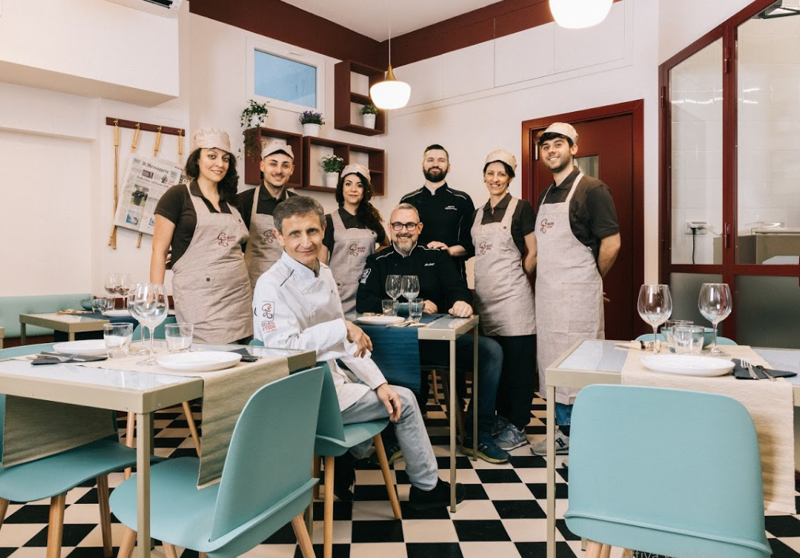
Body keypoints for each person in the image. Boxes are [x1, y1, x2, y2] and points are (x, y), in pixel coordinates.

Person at [252, 195, 464, 509]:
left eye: (312, 231)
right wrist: (342, 328)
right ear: (279, 236)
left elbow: (346, 344)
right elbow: (281, 348)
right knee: (405, 401)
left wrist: (379, 384)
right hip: (296, 394)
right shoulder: (270, 285)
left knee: (391, 392)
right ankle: (426, 487)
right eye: (294, 234)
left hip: (330, 382)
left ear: (323, 229)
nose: (305, 241)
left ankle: (347, 456)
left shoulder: (323, 272)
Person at [356, 203, 508, 464]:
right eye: (398, 225)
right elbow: (365, 303)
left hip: (436, 344)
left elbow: (457, 288)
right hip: (393, 348)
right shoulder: (377, 261)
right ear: (390, 228)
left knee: (490, 351)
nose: (404, 231)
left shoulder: (436, 257)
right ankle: (391, 438)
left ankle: (478, 434)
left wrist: (463, 302)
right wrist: (408, 306)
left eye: (410, 225)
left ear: (419, 228)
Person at [530, 123, 621, 456]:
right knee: (553, 363)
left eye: (558, 144)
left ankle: (579, 434)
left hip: (578, 294)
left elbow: (612, 242)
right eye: (546, 147)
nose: (551, 151)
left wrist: (592, 278)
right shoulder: (545, 194)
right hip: (549, 295)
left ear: (573, 148)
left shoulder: (592, 189)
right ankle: (563, 432)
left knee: (579, 366)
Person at [151, 128, 252, 344]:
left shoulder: (234, 202)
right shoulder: (177, 196)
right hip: (199, 298)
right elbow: (159, 251)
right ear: (197, 159)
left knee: (243, 365)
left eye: (225, 159)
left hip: (239, 297)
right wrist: (156, 294)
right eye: (212, 156)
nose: (220, 164)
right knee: (208, 358)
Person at [472, 149, 537, 451]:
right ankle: (499, 418)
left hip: (513, 299)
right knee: (494, 365)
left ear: (510, 178)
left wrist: (520, 277)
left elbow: (533, 251)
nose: (495, 179)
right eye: (490, 173)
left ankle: (517, 425)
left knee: (518, 366)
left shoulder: (521, 208)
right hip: (485, 302)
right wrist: (444, 249)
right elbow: (470, 250)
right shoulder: (477, 212)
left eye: (502, 174)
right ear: (484, 176)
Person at [319, 163, 389, 316]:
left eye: (359, 185)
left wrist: (371, 258)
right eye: (348, 184)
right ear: (341, 188)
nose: (353, 189)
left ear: (365, 190)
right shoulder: (329, 221)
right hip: (339, 291)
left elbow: (386, 245)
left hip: (367, 289)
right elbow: (321, 264)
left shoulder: (372, 220)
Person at [400, 144, 475, 277]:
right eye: (430, 160)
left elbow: (471, 244)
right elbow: (400, 240)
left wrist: (449, 251)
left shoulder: (462, 200)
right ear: (422, 165)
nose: (435, 164)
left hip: (452, 275)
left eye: (441, 160)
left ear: (449, 167)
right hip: (415, 276)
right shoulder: (408, 200)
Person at [236, 140, 296, 288]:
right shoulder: (242, 201)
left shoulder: (297, 205)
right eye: (273, 164)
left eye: (285, 165)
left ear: (292, 170)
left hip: (289, 284)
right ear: (262, 166)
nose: (279, 171)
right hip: (253, 286)